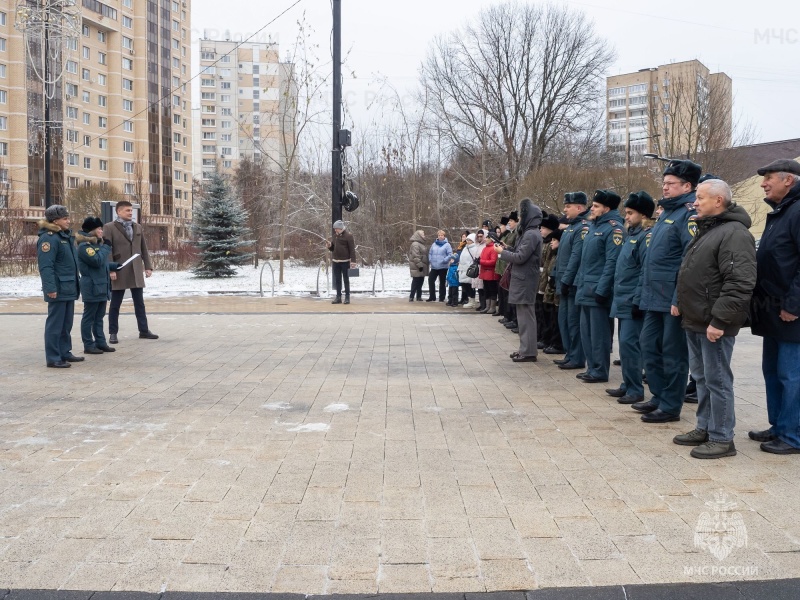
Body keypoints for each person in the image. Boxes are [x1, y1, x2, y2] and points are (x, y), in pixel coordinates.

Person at [672, 178, 756, 458]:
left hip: (713, 323)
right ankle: (705, 427)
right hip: (696, 319)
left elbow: (740, 282)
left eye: (700, 197)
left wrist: (720, 321)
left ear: (718, 200)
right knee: (701, 378)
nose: (695, 202)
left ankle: (722, 438)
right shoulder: (709, 229)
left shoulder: (733, 233)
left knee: (717, 380)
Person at [633, 159, 701, 423]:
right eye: (664, 183)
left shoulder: (688, 214)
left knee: (673, 354)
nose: (665, 187)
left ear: (687, 186)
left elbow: (689, 260)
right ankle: (659, 396)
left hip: (672, 299)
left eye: (671, 183)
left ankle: (671, 405)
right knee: (648, 346)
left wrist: (678, 298)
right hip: (653, 297)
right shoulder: (667, 213)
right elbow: (652, 261)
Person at [749, 159, 800, 454]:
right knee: (773, 371)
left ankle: (793, 435)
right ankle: (780, 426)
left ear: (788, 180)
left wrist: (793, 304)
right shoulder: (782, 211)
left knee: (792, 376)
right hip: (772, 310)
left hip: (791, 313)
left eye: (768, 178)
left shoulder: (797, 211)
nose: (763, 183)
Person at [607, 191, 654, 404]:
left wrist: (637, 299)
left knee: (630, 345)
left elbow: (645, 271)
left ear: (643, 214)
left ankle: (635, 389)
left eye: (630, 213)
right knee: (625, 346)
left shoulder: (645, 236)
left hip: (632, 300)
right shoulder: (632, 235)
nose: (626, 217)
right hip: (623, 298)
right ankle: (628, 383)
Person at [575, 190, 624, 383]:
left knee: (599, 334)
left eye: (596, 206)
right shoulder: (594, 227)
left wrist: (602, 290)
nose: (592, 209)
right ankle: (592, 367)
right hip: (585, 288)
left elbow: (612, 262)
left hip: (597, 290)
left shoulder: (614, 229)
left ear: (607, 208)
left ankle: (600, 369)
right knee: (586, 332)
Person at [495, 199, 543, 362]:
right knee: (523, 318)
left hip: (525, 280)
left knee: (526, 318)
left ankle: (528, 352)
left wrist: (502, 252)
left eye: (522, 216)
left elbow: (521, 257)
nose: (520, 219)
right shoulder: (529, 233)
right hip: (523, 280)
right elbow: (519, 252)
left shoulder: (531, 234)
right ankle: (525, 349)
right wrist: (507, 248)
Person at [104, 201, 158, 342]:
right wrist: (111, 269)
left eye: (131, 210)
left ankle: (144, 330)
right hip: (119, 269)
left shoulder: (137, 226)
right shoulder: (109, 227)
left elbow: (143, 248)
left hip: (136, 269)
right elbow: (107, 250)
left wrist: (148, 266)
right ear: (118, 211)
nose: (130, 213)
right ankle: (113, 333)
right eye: (127, 210)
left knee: (139, 303)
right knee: (115, 304)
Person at [37, 205, 83, 368]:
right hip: (58, 288)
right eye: (65, 218)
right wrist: (50, 288)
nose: (68, 221)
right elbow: (46, 266)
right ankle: (53, 357)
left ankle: (65, 352)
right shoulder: (49, 238)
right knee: (55, 324)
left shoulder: (65, 236)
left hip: (69, 287)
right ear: (55, 221)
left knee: (66, 324)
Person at [554, 192, 590, 371]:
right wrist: (554, 274)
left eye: (568, 206)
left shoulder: (582, 228)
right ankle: (569, 353)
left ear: (579, 207)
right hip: (563, 281)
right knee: (564, 321)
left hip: (572, 283)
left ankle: (577, 357)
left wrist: (567, 280)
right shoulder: (570, 227)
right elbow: (562, 255)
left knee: (574, 322)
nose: (565, 209)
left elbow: (576, 257)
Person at [77, 217, 119, 354]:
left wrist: (114, 266)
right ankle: (88, 345)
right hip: (91, 286)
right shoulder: (84, 246)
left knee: (99, 317)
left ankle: (100, 343)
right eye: (99, 229)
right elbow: (96, 261)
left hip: (101, 285)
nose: (102, 231)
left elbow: (101, 264)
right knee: (89, 317)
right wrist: (106, 246)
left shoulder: (97, 245)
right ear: (92, 230)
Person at [536, 213, 561, 352]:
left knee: (550, 315)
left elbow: (548, 267)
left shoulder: (552, 245)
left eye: (544, 228)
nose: (541, 230)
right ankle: (544, 337)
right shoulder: (545, 243)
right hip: (544, 283)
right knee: (543, 314)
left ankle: (549, 340)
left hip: (550, 286)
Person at [497, 211, 520, 329]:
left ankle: (513, 318)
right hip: (507, 264)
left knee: (511, 295)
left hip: (511, 264)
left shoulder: (517, 234)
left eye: (511, 220)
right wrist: (506, 247)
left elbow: (517, 251)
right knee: (506, 294)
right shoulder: (511, 233)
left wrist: (506, 249)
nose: (509, 223)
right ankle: (509, 316)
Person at [327, 219, 357, 304]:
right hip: (335, 261)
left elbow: (352, 250)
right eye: (334, 229)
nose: (335, 230)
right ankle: (338, 297)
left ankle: (347, 297)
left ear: (340, 228)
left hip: (345, 261)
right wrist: (329, 246)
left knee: (346, 279)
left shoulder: (348, 236)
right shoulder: (335, 236)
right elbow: (333, 248)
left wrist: (353, 261)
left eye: (336, 228)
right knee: (337, 280)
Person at [427, 230, 452, 302]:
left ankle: (442, 297)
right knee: (431, 280)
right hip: (434, 266)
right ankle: (432, 296)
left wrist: (445, 260)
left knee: (442, 282)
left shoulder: (447, 245)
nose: (440, 236)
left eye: (442, 235)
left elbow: (450, 254)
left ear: (444, 236)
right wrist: (430, 260)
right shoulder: (434, 244)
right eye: (439, 235)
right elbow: (430, 253)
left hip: (443, 266)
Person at [479, 232, 501, 314]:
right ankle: (487, 306)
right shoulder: (485, 248)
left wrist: (481, 261)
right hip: (485, 272)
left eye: (487, 238)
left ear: (491, 239)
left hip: (491, 273)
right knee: (486, 290)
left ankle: (492, 307)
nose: (485, 239)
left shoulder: (493, 248)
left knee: (492, 290)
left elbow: (493, 261)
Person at [458, 233, 479, 308]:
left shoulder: (475, 248)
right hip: (463, 269)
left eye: (469, 240)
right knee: (465, 285)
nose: (468, 241)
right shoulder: (465, 248)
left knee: (470, 286)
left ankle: (472, 301)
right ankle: (470, 300)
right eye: (467, 240)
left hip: (469, 270)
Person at [408, 230, 429, 302]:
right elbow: (416, 256)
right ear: (419, 236)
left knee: (420, 281)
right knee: (416, 281)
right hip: (417, 266)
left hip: (421, 265)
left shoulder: (421, 244)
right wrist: (420, 265)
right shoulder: (415, 244)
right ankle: (411, 296)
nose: (424, 235)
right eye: (423, 234)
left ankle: (419, 296)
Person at [472, 230, 488, 311]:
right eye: (478, 236)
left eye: (481, 236)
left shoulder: (485, 245)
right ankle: (481, 304)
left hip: (483, 267)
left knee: (483, 287)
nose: (479, 238)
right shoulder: (476, 245)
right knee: (479, 288)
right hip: (477, 267)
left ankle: (484, 304)